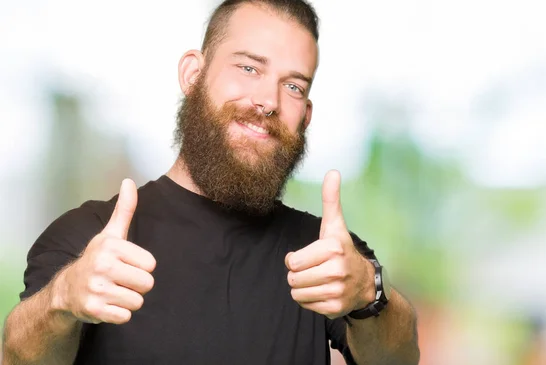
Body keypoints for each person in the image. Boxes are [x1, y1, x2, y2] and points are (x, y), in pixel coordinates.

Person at [1, 1, 419, 364]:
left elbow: (399, 360)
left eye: (292, 86)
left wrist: (369, 292)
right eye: (248, 67)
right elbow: (17, 358)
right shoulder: (88, 235)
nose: (268, 102)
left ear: (306, 115)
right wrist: (61, 301)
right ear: (192, 75)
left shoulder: (327, 254)